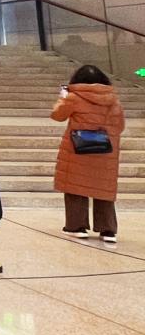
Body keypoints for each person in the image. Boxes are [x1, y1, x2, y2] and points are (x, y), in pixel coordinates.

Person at [52, 64, 125, 245]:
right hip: (105, 151)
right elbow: (120, 126)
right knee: (104, 189)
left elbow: (57, 115)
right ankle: (108, 230)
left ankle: (77, 227)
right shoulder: (113, 100)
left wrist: (62, 97)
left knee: (75, 187)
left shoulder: (73, 97)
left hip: (79, 149)